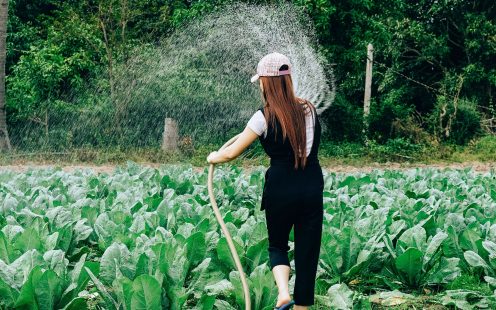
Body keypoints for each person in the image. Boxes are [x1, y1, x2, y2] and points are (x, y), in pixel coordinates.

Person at [207, 52, 324, 310]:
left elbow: (231, 152)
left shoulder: (263, 117)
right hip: (311, 185)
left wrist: (213, 157)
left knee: (277, 244)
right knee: (308, 251)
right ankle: (302, 308)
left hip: (281, 187)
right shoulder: (310, 109)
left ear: (266, 83)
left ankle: (283, 293)